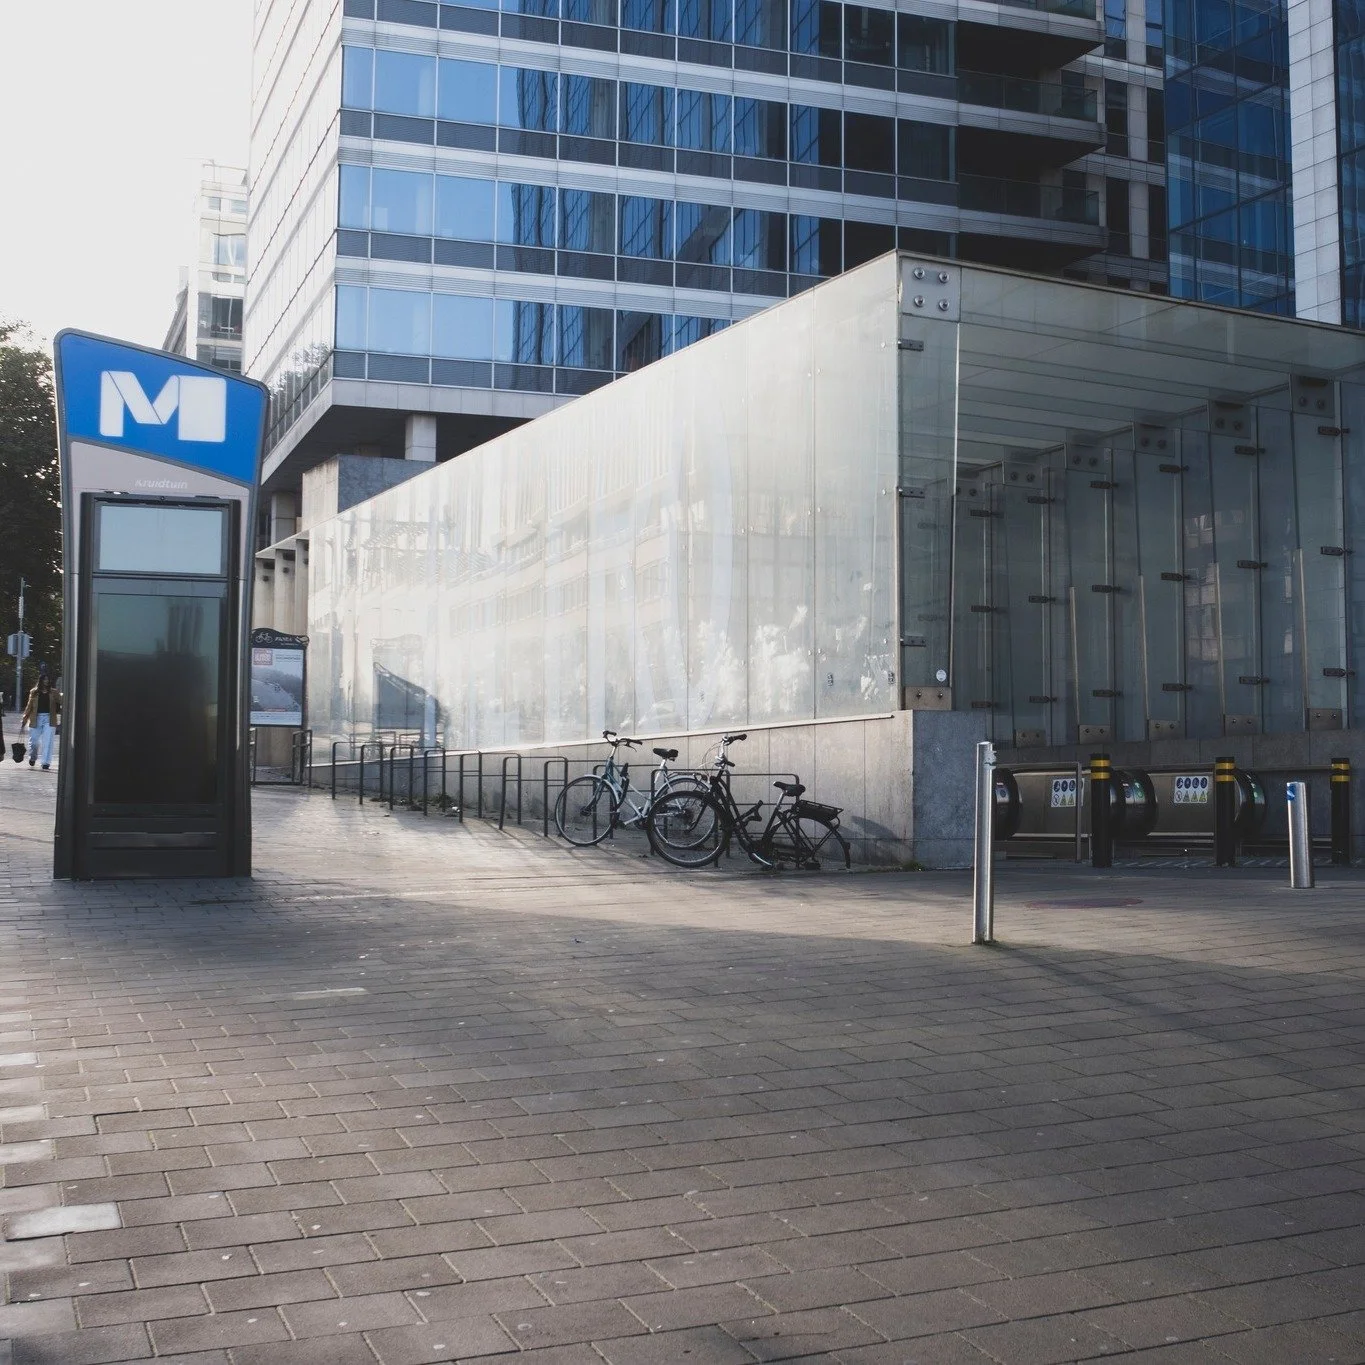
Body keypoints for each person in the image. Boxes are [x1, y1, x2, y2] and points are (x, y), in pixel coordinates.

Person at [20, 665, 60, 770]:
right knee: (34, 742)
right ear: (41, 680)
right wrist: (24, 717)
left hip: (49, 719)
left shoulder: (54, 692)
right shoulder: (34, 692)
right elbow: (29, 706)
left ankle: (46, 762)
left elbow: (62, 702)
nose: (46, 681)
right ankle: (33, 757)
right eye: (44, 679)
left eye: (48, 679)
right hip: (35, 718)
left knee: (48, 741)